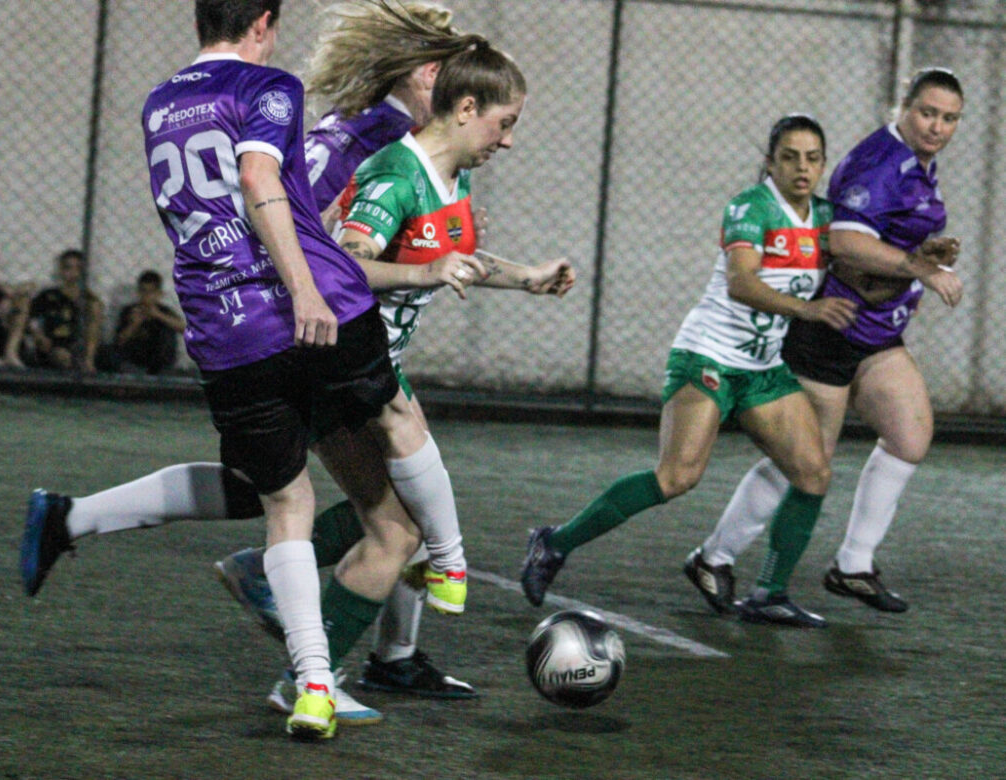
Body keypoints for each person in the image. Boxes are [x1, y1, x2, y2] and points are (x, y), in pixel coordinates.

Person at [21, 0, 467, 741]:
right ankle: (412, 599)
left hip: (221, 322)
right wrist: (313, 286)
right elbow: (272, 190)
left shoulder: (164, 101)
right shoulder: (351, 123)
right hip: (306, 311)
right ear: (263, 21)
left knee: (275, 493)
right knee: (387, 496)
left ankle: (324, 670)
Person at [213, 0, 521, 713]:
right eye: (505, 123)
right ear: (454, 97)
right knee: (393, 528)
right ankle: (316, 673)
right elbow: (347, 258)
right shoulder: (392, 153)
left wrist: (527, 277)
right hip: (342, 359)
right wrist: (421, 270)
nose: (508, 140)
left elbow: (442, 253)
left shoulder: (436, 164)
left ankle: (366, 654)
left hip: (353, 357)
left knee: (382, 512)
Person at [521, 114, 860, 628]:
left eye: (813, 159)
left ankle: (770, 593)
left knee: (813, 473)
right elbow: (741, 283)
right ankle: (554, 543)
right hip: (708, 356)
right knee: (677, 477)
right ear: (770, 162)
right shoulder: (750, 207)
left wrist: (920, 266)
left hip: (761, 367)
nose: (802, 168)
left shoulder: (825, 219)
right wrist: (809, 311)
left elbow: (861, 272)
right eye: (790, 157)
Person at [687, 69, 965, 616]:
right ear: (903, 108)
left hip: (878, 331)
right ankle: (714, 557)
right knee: (803, 461)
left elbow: (884, 236)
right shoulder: (879, 161)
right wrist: (920, 268)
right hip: (832, 330)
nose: (937, 126)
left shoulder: (918, 163)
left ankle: (853, 566)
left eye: (949, 118)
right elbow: (845, 241)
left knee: (909, 436)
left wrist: (924, 253)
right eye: (927, 113)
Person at [27, 249, 106, 373]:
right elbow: (32, 319)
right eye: (68, 268)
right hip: (54, 345)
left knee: (95, 308)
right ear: (61, 270)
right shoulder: (48, 295)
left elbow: (95, 329)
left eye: (78, 268)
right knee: (61, 356)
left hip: (80, 347)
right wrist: (39, 336)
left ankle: (87, 362)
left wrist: (88, 356)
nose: (73, 273)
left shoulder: (90, 300)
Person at [112, 269, 185, 374]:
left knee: (166, 332)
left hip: (160, 361)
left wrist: (158, 315)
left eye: (151, 292)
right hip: (134, 361)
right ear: (138, 292)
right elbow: (118, 342)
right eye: (143, 291)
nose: (146, 296)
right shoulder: (129, 311)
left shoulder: (165, 312)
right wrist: (133, 325)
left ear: (159, 294)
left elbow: (185, 329)